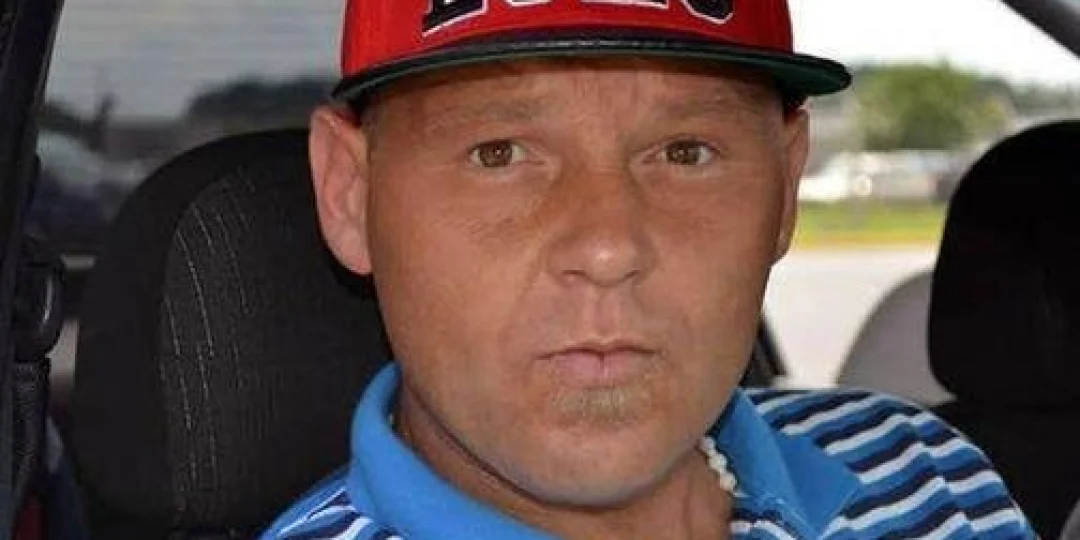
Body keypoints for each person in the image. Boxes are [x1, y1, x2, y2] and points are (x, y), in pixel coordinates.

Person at [263, 1, 1035, 538]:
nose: (608, 247)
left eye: (685, 152)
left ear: (785, 186)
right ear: (351, 194)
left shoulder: (926, 474)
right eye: (498, 154)